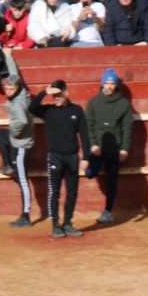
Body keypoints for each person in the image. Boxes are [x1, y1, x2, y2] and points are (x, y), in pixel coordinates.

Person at [30, 78, 89, 238]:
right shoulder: (48, 111)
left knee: (72, 192)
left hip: (72, 157)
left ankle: (68, 222)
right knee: (54, 192)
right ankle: (56, 224)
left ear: (66, 93)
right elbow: (31, 107)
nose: (56, 98)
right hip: (55, 156)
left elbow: (84, 134)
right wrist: (44, 92)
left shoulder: (76, 110)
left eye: (59, 94)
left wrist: (86, 157)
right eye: (53, 95)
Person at [0, 48, 36, 228]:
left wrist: (15, 132)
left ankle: (25, 215)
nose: (7, 90)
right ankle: (8, 164)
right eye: (6, 87)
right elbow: (14, 74)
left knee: (23, 179)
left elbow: (22, 120)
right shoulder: (22, 91)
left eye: (10, 88)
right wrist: (9, 56)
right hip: (18, 140)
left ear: (16, 88)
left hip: (21, 144)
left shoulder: (18, 103)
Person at [85, 67, 132, 225]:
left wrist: (125, 148)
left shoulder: (124, 104)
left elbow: (127, 128)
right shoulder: (93, 102)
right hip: (98, 147)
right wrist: (93, 145)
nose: (109, 86)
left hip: (115, 148)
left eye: (112, 83)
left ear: (116, 85)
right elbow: (89, 126)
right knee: (90, 173)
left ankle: (108, 210)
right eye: (107, 82)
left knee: (112, 180)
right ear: (102, 84)